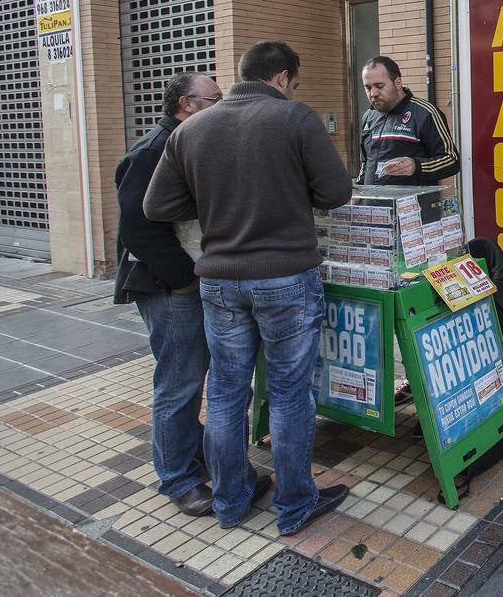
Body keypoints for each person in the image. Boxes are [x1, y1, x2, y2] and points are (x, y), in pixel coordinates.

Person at [144, 41, 354, 535]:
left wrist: (216, 202)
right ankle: (295, 504)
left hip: (219, 283)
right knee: (287, 394)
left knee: (223, 394)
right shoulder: (296, 119)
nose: (293, 91)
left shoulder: (191, 130)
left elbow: (158, 206)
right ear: (281, 77)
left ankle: (230, 501)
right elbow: (337, 192)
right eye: (294, 83)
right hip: (285, 279)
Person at [114, 71, 222, 516]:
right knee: (179, 383)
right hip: (166, 287)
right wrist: (183, 278)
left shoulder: (187, 142)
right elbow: (137, 228)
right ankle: (178, 479)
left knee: (190, 377)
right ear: (186, 104)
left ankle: (190, 455)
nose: (221, 104)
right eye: (214, 98)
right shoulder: (155, 150)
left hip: (184, 282)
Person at [359, 56, 459, 185]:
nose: (373, 93)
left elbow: (452, 161)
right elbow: (366, 162)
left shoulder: (425, 113)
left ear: (398, 83)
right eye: (368, 87)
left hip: (413, 203)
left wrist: (416, 166)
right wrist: (359, 191)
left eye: (379, 86)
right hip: (375, 203)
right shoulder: (368, 116)